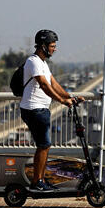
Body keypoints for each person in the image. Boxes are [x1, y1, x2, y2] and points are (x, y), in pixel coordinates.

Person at [19, 29, 83, 192]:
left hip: (41, 109)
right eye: (52, 46)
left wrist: (70, 97)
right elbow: (44, 85)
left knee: (44, 146)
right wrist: (62, 101)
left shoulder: (43, 63)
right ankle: (36, 182)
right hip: (34, 109)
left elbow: (54, 84)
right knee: (44, 145)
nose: (54, 49)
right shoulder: (33, 61)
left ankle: (40, 179)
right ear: (43, 46)